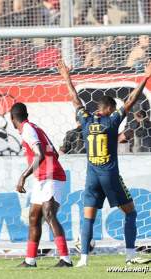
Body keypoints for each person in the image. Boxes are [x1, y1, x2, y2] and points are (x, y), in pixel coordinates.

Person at [57, 59, 151, 266]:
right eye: (114, 108)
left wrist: (66, 77)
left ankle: (83, 259)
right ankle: (129, 255)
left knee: (88, 217)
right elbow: (131, 101)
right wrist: (145, 76)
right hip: (109, 175)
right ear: (109, 108)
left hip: (92, 177)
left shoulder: (86, 120)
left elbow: (75, 99)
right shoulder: (112, 121)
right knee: (131, 212)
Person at [10, 102, 72, 268]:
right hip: (42, 177)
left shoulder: (27, 130)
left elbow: (40, 154)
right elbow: (54, 153)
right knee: (34, 218)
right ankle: (30, 260)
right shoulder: (35, 127)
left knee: (49, 213)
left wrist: (23, 176)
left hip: (51, 176)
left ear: (12, 119)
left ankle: (65, 259)